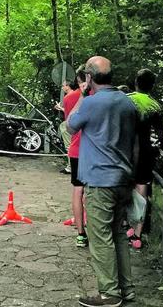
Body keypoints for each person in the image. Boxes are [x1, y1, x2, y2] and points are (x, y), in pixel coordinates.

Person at [67, 56, 139, 307]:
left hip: (100, 180)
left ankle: (109, 294)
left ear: (89, 77)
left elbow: (70, 126)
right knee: (119, 234)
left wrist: (83, 95)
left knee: (100, 237)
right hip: (123, 178)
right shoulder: (127, 103)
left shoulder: (91, 103)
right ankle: (126, 289)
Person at [126, 69, 163, 249]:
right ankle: (137, 234)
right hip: (145, 153)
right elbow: (160, 136)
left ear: (136, 81)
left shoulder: (125, 100)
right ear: (152, 86)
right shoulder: (155, 106)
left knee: (124, 187)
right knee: (142, 190)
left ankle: (123, 224)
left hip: (124, 151)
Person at [63, 67, 87, 246]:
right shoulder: (97, 97)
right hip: (93, 151)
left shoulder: (69, 98)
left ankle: (81, 233)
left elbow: (68, 123)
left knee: (78, 190)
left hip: (76, 149)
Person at [55, 80, 75, 174]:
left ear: (68, 86)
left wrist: (60, 107)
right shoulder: (78, 95)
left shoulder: (68, 97)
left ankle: (70, 167)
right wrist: (61, 108)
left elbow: (69, 113)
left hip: (70, 124)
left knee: (69, 146)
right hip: (76, 123)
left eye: (63, 86)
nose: (62, 88)